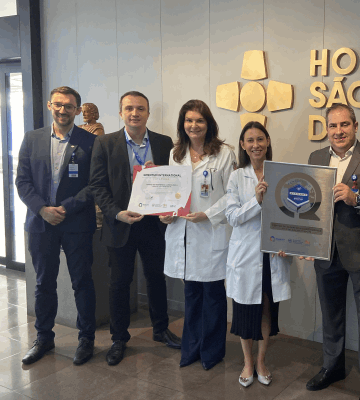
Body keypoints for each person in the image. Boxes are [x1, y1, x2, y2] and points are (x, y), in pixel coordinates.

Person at [89, 91, 181, 366]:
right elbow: (97, 186)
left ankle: (160, 329)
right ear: (121, 113)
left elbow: (174, 182)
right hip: (120, 225)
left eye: (140, 108)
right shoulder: (105, 143)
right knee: (119, 283)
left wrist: (168, 205)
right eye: (129, 108)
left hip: (154, 225)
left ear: (148, 113)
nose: (135, 113)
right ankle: (119, 338)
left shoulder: (164, 143)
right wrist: (117, 213)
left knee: (156, 279)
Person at [304, 104, 360, 400]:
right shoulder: (315, 158)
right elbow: (308, 203)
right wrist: (304, 240)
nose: (338, 131)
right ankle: (332, 367)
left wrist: (357, 199)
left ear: (355, 126)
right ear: (326, 129)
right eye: (333, 126)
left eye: (344, 125)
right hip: (325, 253)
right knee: (331, 316)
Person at [16, 86, 97, 365]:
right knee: (43, 283)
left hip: (77, 222)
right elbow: (22, 181)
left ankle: (86, 339)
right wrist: (42, 209)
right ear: (50, 105)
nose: (63, 110)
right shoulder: (32, 138)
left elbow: (95, 184)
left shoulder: (90, 141)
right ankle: (43, 338)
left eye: (69, 106)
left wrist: (66, 208)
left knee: (82, 282)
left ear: (78, 110)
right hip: (41, 224)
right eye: (58, 105)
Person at [160, 100, 236, 370]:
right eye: (189, 120)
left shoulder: (224, 154)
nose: (194, 125)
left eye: (199, 120)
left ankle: (211, 352)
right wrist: (166, 213)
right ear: (183, 124)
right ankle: (190, 349)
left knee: (213, 295)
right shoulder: (176, 153)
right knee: (191, 295)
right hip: (183, 233)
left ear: (209, 124)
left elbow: (232, 195)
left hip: (211, 232)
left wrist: (208, 214)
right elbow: (172, 193)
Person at [225, 121, 291, 388]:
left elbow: (291, 213)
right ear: (243, 145)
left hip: (272, 253)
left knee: (266, 310)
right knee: (244, 311)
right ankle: (247, 362)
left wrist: (290, 241)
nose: (256, 145)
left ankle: (261, 361)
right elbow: (232, 217)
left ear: (268, 142)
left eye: (260, 139)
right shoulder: (236, 176)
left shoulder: (282, 174)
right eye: (250, 140)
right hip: (247, 254)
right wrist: (256, 200)